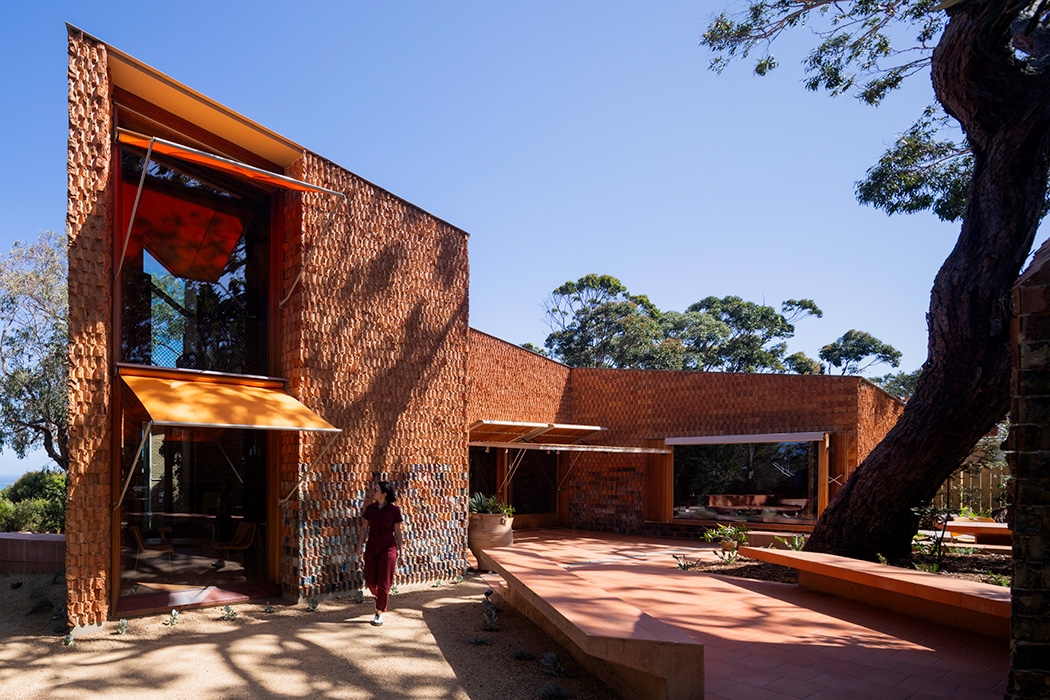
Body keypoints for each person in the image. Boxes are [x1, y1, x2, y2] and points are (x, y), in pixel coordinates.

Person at [358, 481, 403, 626]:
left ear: (384, 494)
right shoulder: (370, 509)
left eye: (376, 489)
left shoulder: (394, 511)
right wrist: (359, 546)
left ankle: (379, 612)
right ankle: (381, 597)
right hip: (372, 546)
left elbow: (397, 532)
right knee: (370, 580)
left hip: (388, 547)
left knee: (384, 581)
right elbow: (364, 528)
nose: (374, 491)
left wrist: (402, 552)